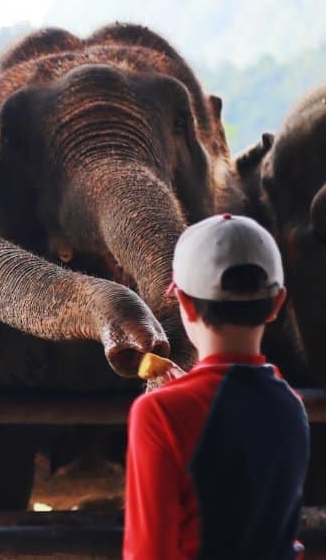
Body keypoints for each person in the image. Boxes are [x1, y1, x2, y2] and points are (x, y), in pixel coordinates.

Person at [123, 213, 310, 559]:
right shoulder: (290, 404)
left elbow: (149, 551)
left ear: (184, 303)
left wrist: (181, 400)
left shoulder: (159, 413)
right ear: (277, 304)